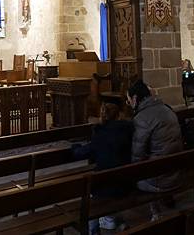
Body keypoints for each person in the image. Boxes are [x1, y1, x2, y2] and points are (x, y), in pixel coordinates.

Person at [71, 103, 133, 234]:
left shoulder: (101, 134)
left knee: (91, 188)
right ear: (118, 116)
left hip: (106, 186)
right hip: (127, 183)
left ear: (102, 117)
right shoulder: (128, 131)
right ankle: (113, 219)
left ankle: (93, 230)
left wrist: (74, 147)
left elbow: (81, 153)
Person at [127, 80, 183, 220]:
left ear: (135, 98)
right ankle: (167, 199)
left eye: (128, 100)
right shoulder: (167, 109)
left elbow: (137, 157)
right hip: (176, 172)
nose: (128, 103)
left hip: (157, 180)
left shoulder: (142, 118)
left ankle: (155, 213)